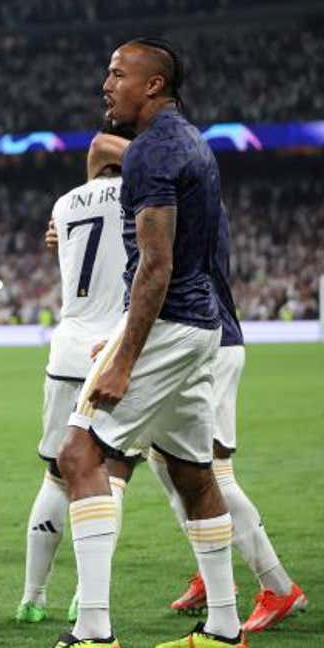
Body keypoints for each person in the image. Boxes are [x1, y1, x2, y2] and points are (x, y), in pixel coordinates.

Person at [54, 38, 246, 648]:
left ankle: (92, 634)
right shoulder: (191, 141)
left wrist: (124, 357)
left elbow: (155, 266)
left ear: (153, 84)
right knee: (193, 473)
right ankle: (223, 628)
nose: (106, 85)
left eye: (117, 74)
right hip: (199, 326)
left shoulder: (151, 153)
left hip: (170, 325)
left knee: (79, 454)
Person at [89, 128, 308, 635]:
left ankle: (276, 584)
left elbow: (101, 145)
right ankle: (216, 574)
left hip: (206, 337)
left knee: (207, 473)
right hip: (196, 333)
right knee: (176, 468)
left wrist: (139, 157)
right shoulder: (188, 189)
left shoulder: (179, 181)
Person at [17, 125, 131, 625]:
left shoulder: (64, 206)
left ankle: (32, 596)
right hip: (120, 349)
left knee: (56, 475)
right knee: (112, 477)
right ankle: (87, 594)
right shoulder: (148, 197)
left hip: (67, 349)